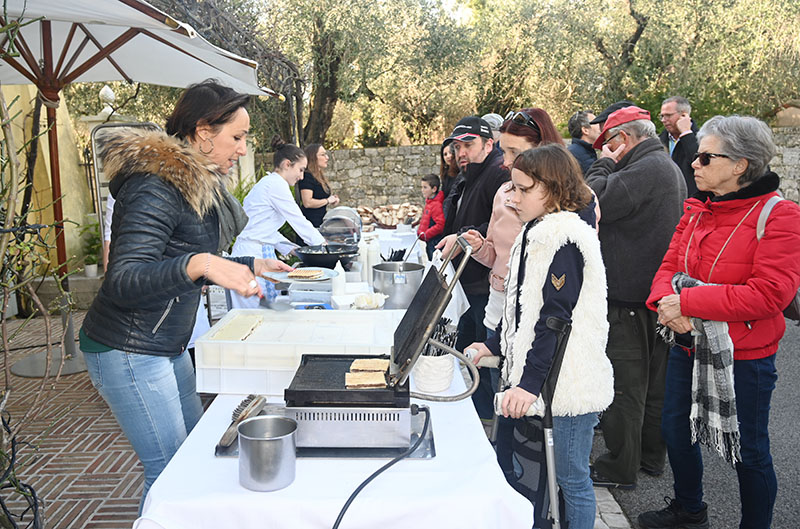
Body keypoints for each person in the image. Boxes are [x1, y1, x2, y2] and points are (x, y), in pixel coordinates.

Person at [79, 80, 292, 511]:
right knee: (170, 471)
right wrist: (202, 264)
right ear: (202, 132)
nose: (242, 149)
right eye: (237, 137)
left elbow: (181, 252)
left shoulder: (193, 183)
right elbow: (124, 279)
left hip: (164, 345)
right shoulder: (153, 186)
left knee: (196, 453)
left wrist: (252, 265)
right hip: (127, 348)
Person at [639, 115, 800, 529]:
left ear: (740, 165)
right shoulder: (697, 208)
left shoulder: (780, 216)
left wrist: (686, 301)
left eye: (706, 157)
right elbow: (668, 266)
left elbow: (769, 295)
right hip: (688, 344)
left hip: (745, 356)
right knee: (675, 431)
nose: (694, 162)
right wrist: (665, 304)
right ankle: (690, 510)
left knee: (750, 451)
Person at [468, 144, 614, 529]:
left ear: (552, 188)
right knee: (546, 477)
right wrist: (494, 343)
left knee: (572, 481)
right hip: (542, 381)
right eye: (511, 188)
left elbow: (554, 319)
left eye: (522, 189)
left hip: (566, 387)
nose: (512, 198)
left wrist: (529, 385)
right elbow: (519, 303)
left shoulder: (565, 238)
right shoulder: (534, 230)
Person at [439, 108, 564, 427]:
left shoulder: (509, 180)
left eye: (513, 152)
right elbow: (497, 246)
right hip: (498, 298)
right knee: (500, 380)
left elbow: (562, 287)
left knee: (533, 409)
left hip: (533, 312)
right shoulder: (493, 186)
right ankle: (491, 426)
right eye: (457, 147)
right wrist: (476, 244)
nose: (507, 162)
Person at [585, 106, 686, 489]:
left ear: (623, 139)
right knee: (653, 385)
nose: (606, 151)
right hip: (651, 296)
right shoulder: (661, 166)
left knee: (625, 385)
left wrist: (603, 165)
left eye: (609, 144)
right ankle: (648, 458)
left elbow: (594, 200)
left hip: (630, 299)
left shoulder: (645, 168)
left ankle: (619, 468)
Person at [436, 115, 509, 420]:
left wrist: (463, 238)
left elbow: (498, 228)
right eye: (457, 146)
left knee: (484, 358)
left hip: (485, 283)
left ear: (489, 143)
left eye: (468, 144)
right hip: (467, 281)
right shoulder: (470, 173)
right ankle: (477, 415)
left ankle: (489, 419)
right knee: (469, 354)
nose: (461, 151)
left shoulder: (498, 173)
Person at [230, 136, 326, 309]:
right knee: (251, 318)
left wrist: (294, 250)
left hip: (257, 252)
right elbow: (298, 220)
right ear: (287, 164)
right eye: (301, 170)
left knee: (260, 316)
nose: (302, 176)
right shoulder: (275, 185)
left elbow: (267, 229)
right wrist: (322, 246)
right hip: (251, 255)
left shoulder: (270, 183)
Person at [659, 95, 700, 196]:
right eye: (662, 116)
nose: (664, 120)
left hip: (691, 202)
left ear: (684, 116)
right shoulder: (659, 140)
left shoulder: (701, 138)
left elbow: (699, 162)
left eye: (668, 115)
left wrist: (686, 134)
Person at [298, 144, 339, 227]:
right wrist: (327, 200)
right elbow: (307, 203)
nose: (327, 158)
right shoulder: (307, 176)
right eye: (323, 155)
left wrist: (332, 199)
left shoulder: (320, 176)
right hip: (310, 225)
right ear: (313, 157)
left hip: (320, 222)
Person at [417, 173, 445, 259]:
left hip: (434, 242)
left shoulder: (436, 205)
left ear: (434, 189)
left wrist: (426, 234)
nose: (422, 190)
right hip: (429, 242)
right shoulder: (429, 202)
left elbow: (440, 225)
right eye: (422, 187)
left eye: (425, 187)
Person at [439, 139, 459, 206]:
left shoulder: (461, 174)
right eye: (445, 154)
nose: (448, 156)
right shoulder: (445, 175)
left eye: (450, 152)